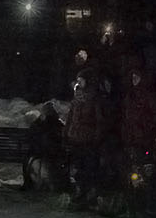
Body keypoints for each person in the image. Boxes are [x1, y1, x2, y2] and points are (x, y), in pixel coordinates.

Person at [65, 73, 109, 209]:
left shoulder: (94, 99)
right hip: (76, 139)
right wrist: (67, 133)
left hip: (88, 140)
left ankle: (90, 196)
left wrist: (96, 137)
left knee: (89, 168)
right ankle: (81, 194)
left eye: (81, 80)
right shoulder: (76, 100)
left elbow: (99, 121)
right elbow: (70, 118)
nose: (78, 83)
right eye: (77, 80)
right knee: (78, 168)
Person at [22, 100, 67, 192]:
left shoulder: (39, 124)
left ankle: (28, 183)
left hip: (41, 152)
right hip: (53, 152)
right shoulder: (58, 124)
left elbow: (30, 137)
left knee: (27, 160)